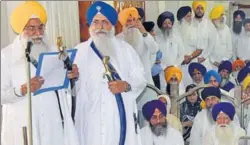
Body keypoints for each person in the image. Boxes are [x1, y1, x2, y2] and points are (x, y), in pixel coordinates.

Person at [1, 1, 79, 145]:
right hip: (24, 124)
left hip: (53, 122)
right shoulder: (6, 55)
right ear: (21, 29)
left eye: (41, 27)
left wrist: (72, 77)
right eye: (31, 28)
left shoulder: (55, 51)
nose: (38, 33)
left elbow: (67, 90)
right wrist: (23, 89)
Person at [73, 2, 147, 145]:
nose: (100, 27)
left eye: (105, 22)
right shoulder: (78, 51)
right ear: (90, 25)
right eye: (96, 22)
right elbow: (70, 88)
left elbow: (140, 78)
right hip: (90, 118)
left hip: (117, 116)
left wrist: (126, 86)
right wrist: (71, 79)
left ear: (112, 26)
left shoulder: (126, 50)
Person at [117, 7, 158, 85]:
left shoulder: (144, 35)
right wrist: (124, 37)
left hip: (146, 80)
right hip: (127, 83)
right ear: (123, 22)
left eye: (135, 20)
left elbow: (154, 49)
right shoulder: (118, 39)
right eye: (129, 21)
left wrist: (144, 32)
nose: (132, 23)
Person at [155, 11, 185, 90]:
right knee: (164, 93)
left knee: (179, 92)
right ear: (161, 25)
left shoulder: (177, 38)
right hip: (163, 72)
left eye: (169, 23)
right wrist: (164, 67)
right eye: (165, 23)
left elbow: (181, 55)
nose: (167, 25)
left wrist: (174, 66)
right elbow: (156, 57)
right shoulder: (156, 39)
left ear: (172, 24)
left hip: (176, 70)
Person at [190, 0, 216, 70]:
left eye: (202, 8)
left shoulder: (209, 24)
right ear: (194, 9)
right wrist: (190, 57)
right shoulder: (189, 23)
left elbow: (212, 43)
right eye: (197, 8)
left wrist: (204, 57)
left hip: (205, 60)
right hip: (190, 60)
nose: (199, 10)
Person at [143, 21, 162, 89]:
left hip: (155, 74)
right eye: (152, 31)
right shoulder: (143, 46)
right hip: (148, 76)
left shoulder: (154, 43)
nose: (154, 34)